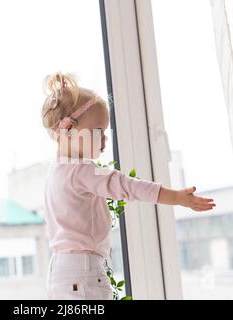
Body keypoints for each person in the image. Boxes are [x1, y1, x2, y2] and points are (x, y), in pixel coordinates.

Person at [41, 72, 215, 299]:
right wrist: (176, 197)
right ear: (68, 130)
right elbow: (127, 185)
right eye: (98, 131)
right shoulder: (82, 171)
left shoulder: (55, 172)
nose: (104, 140)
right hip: (83, 274)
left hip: (59, 273)